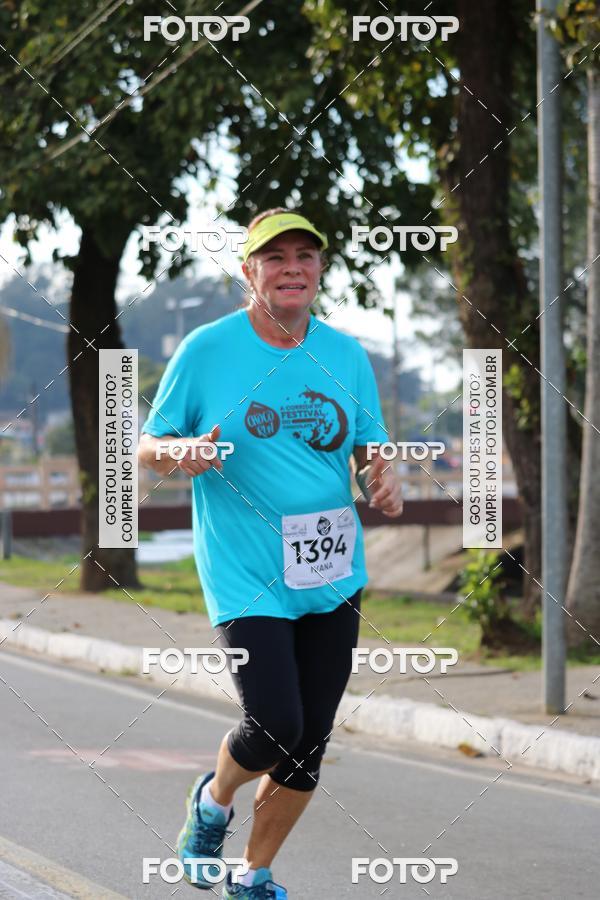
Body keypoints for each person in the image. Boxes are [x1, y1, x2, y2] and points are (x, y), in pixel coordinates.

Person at [137, 208, 403, 898]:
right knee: (276, 724)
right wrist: (181, 452)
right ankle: (211, 803)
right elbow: (146, 447)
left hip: (331, 570)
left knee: (309, 740)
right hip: (247, 571)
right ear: (249, 271)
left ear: (319, 269)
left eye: (304, 257)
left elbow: (367, 442)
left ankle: (253, 874)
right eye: (275, 257)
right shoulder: (206, 350)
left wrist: (380, 472)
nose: (292, 268)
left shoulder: (345, 354)